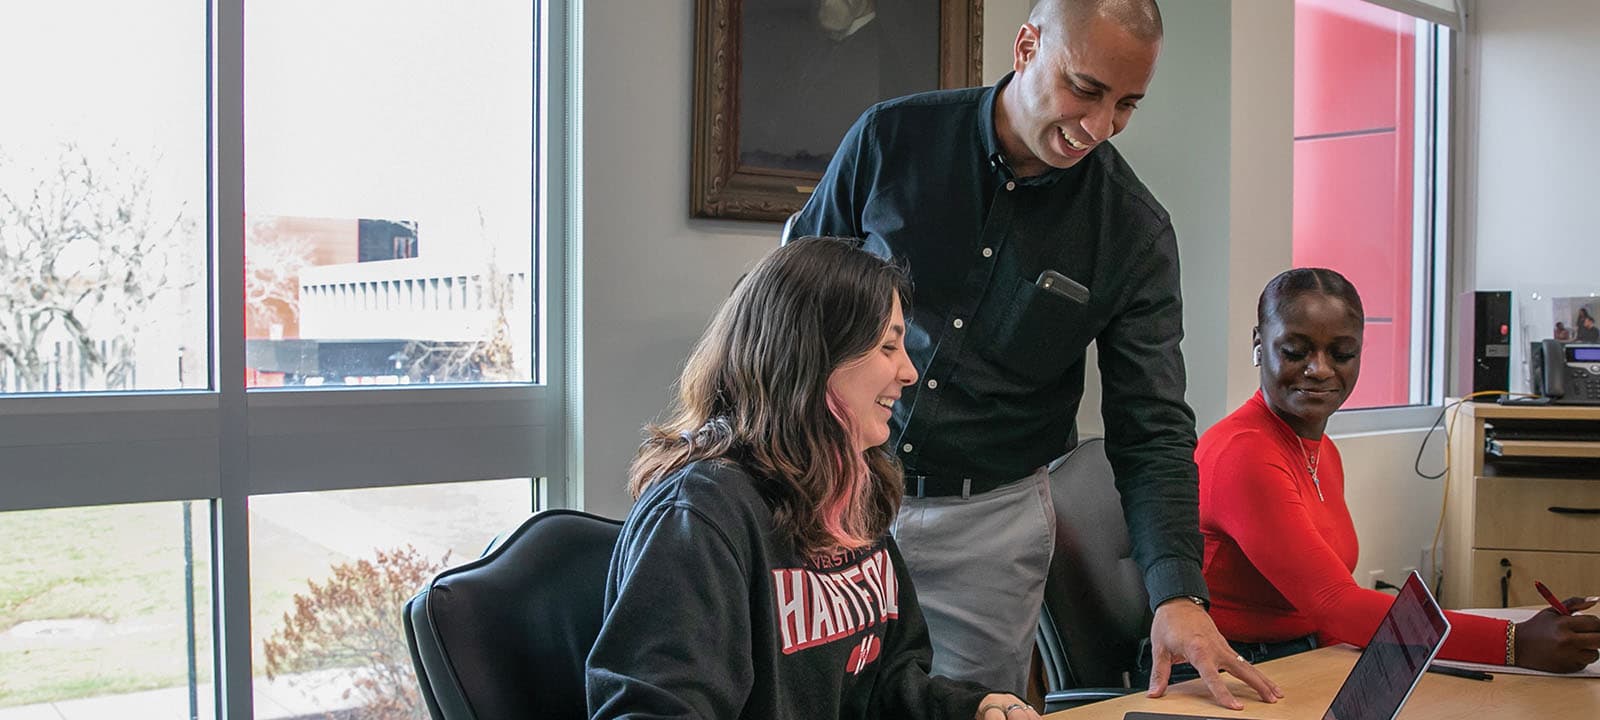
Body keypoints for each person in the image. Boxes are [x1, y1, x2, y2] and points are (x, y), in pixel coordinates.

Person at [787, 0, 1281, 709]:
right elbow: (787, 310)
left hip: (989, 528)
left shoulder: (1134, 232)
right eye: (1084, 88)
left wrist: (1177, 592)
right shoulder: (892, 138)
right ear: (1026, 47)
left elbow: (1154, 428)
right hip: (840, 491)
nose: (1099, 126)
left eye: (1127, 105)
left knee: (974, 709)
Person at [585, 238, 1043, 720]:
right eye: (888, 346)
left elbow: (885, 682)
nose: (909, 371)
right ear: (817, 357)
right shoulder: (700, 515)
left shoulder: (851, 490)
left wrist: (969, 709)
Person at [1198, 267, 1600, 673]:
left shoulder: (1322, 451)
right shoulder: (1243, 452)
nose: (1320, 369)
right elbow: (1338, 605)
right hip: (1230, 671)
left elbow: (1333, 615)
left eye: (1341, 354)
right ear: (1258, 343)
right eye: (1295, 351)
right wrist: (1516, 642)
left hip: (1303, 656)